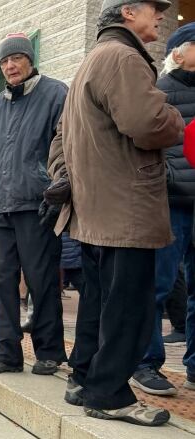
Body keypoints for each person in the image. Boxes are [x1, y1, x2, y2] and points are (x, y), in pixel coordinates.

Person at [47, 0, 183, 426]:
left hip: (95, 208)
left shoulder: (93, 59)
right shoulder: (123, 57)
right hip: (125, 207)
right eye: (153, 8)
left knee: (98, 302)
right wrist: (177, 119)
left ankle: (85, 377)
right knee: (129, 308)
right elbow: (148, 124)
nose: (160, 14)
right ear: (127, 11)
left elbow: (60, 137)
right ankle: (108, 395)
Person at [0, 32, 68, 376]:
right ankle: (6, 351)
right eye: (4, 62)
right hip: (1, 207)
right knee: (3, 279)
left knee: (41, 280)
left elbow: (66, 149)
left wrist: (59, 192)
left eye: (16, 58)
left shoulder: (56, 94)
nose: (10, 66)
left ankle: (50, 351)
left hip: (37, 205)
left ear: (30, 59)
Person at [127, 21, 195, 397]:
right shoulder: (158, 93)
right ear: (178, 52)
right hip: (169, 203)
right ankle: (146, 363)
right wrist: (167, 176)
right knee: (158, 285)